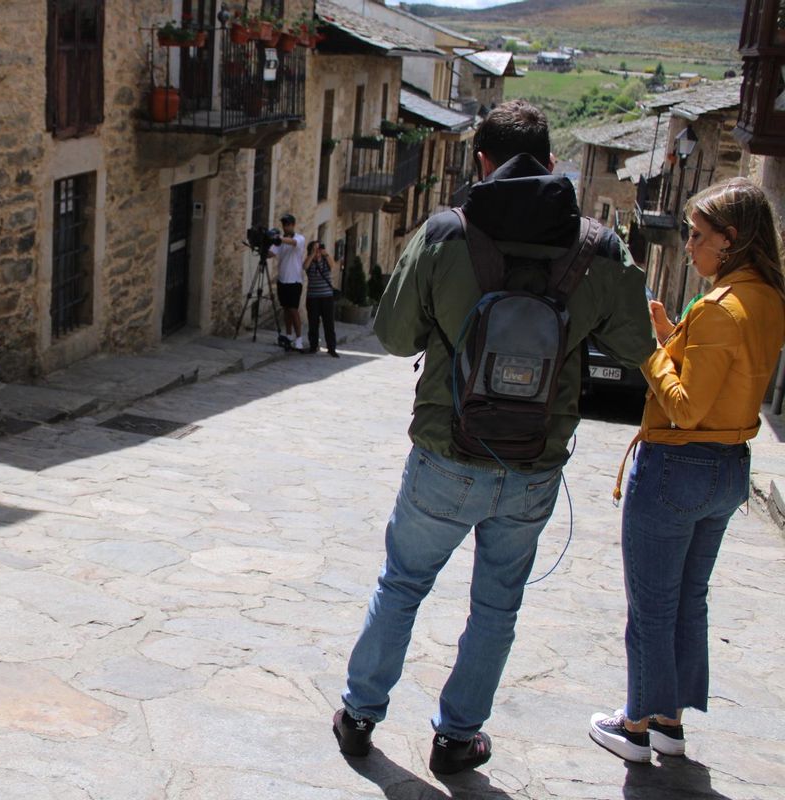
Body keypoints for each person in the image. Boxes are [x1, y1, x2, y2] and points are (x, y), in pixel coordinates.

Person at [333, 100, 657, 774]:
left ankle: (361, 713)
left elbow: (392, 336)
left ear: (483, 161)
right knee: (496, 603)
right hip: (535, 461)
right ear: (552, 162)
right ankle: (457, 737)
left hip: (447, 452)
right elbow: (634, 347)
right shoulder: (599, 248)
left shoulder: (449, 232)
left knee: (402, 584)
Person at [588, 178, 785, 763]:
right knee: (687, 599)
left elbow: (685, 406)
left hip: (679, 464)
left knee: (651, 603)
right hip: (727, 467)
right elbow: (728, 379)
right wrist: (676, 337)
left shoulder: (721, 307)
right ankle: (670, 722)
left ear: (731, 240)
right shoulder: (768, 299)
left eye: (698, 237)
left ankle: (636, 726)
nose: (690, 247)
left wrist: (648, 351)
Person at [271, 214, 306, 350]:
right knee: (285, 309)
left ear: (293, 225)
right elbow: (271, 253)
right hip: (282, 280)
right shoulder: (280, 242)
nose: (285, 227)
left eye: (287, 224)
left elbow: (293, 243)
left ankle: (299, 339)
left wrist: (279, 238)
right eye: (284, 225)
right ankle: (289, 335)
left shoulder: (299, 238)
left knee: (293, 309)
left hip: (294, 281)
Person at [303, 241, 340, 357]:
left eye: (319, 248)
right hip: (313, 297)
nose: (318, 251)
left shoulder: (325, 261)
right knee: (313, 323)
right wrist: (313, 254)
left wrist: (325, 253)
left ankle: (331, 348)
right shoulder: (309, 261)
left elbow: (333, 265)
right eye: (315, 249)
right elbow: (305, 266)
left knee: (329, 323)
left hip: (327, 297)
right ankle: (313, 346)